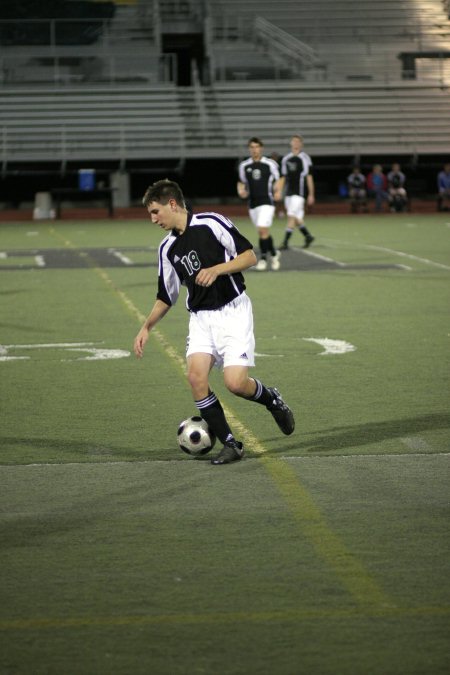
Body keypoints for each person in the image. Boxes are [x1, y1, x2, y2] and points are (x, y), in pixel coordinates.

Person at [134, 179, 295, 465]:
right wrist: (146, 326)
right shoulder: (166, 248)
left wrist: (217, 270)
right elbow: (166, 296)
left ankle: (271, 399)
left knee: (235, 383)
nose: (153, 219)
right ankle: (231, 444)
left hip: (233, 312)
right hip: (200, 319)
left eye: (155, 211)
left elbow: (249, 256)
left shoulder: (211, 222)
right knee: (196, 378)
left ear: (172, 204)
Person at [237, 137, 283, 271]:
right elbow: (241, 181)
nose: (254, 149)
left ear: (261, 148)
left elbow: (280, 178)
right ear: (249, 149)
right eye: (252, 147)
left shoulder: (270, 164)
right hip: (252, 204)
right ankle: (274, 253)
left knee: (263, 229)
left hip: (267, 202)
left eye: (257, 147)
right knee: (262, 232)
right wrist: (241, 191)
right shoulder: (244, 166)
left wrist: (278, 190)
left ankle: (263, 258)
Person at [279, 134, 315, 249]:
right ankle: (308, 236)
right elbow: (283, 177)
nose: (295, 143)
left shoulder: (305, 158)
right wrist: (279, 190)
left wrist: (311, 194)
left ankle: (285, 242)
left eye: (298, 141)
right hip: (288, 193)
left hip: (299, 193)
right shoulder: (286, 159)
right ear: (291, 143)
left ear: (301, 144)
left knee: (291, 216)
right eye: (293, 141)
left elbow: (309, 177)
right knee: (296, 218)